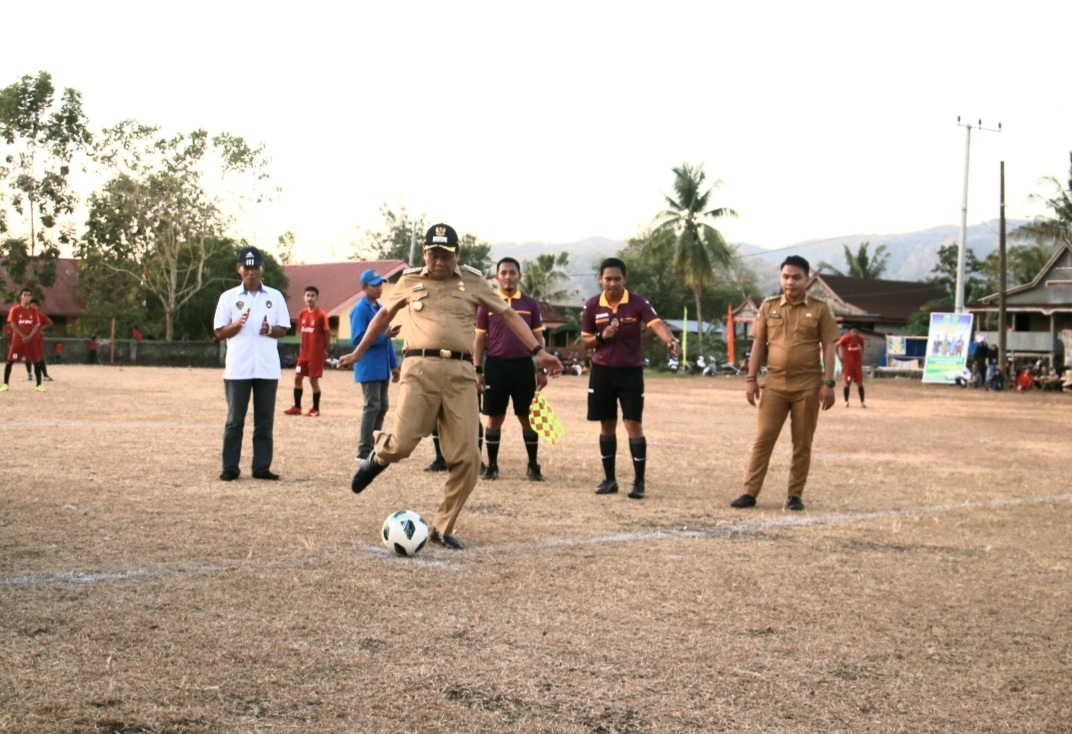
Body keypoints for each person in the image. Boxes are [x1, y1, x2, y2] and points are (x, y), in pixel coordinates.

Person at [338, 223, 562, 551]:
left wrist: (538, 351)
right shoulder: (410, 280)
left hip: (460, 374)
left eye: (445, 254)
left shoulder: (473, 281)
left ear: (457, 254)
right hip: (420, 370)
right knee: (402, 445)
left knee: (469, 458)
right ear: (426, 254)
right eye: (432, 253)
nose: (438, 260)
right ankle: (379, 456)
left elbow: (509, 316)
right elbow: (383, 316)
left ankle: (443, 527)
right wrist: (358, 352)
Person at [731, 255, 839, 512]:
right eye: (786, 277)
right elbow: (758, 344)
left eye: (796, 277)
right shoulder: (768, 307)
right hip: (775, 384)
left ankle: (794, 495)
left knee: (802, 442)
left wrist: (829, 383)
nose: (790, 282)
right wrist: (751, 379)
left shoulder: (821, 309)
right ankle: (749, 492)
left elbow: (829, 347)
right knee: (763, 439)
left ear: (807, 279)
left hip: (808, 385)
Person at [580, 257, 681, 500]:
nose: (612, 283)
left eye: (617, 279)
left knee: (633, 423)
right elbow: (585, 341)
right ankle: (609, 479)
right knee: (606, 424)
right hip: (602, 371)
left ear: (624, 279)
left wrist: (671, 340)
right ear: (600, 280)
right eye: (608, 279)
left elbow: (656, 324)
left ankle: (639, 482)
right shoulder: (592, 305)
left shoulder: (637, 302)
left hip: (630, 372)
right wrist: (602, 335)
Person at [213, 246, 291, 481]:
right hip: (238, 368)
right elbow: (219, 331)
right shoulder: (228, 297)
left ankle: (261, 467)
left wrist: (269, 330)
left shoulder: (274, 296)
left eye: (255, 267)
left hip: (266, 368)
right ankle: (230, 468)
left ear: (262, 268)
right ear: (239, 269)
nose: (251, 272)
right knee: (235, 420)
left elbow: (284, 328)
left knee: (264, 421)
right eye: (246, 267)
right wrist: (237, 325)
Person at [475, 257, 548, 481]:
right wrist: (478, 369)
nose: (508, 276)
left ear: (519, 276)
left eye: (512, 272)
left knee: (527, 417)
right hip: (496, 366)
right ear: (497, 277)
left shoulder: (530, 304)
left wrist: (541, 369)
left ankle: (533, 466)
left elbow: (538, 338)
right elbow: (479, 340)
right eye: (504, 272)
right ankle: (493, 466)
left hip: (524, 366)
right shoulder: (486, 304)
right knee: (494, 418)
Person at [349, 269, 401, 460]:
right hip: (369, 365)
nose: (380, 288)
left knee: (382, 406)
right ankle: (364, 450)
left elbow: (386, 340)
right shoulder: (360, 309)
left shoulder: (380, 309)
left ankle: (375, 445)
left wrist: (394, 365)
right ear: (364, 288)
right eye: (375, 285)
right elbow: (358, 339)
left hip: (381, 366)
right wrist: (383, 335)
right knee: (372, 405)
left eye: (380, 284)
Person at [283, 285, 332, 417]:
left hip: (315, 355)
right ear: (304, 297)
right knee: (297, 378)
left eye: (312, 296)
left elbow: (327, 334)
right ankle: (297, 407)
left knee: (313, 381)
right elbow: (303, 334)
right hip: (303, 355)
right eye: (308, 295)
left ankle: (315, 409)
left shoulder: (321, 315)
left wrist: (324, 350)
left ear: (317, 298)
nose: (310, 298)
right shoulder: (302, 314)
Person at [3, 288, 45, 393]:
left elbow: (36, 325)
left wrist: (29, 336)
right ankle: (5, 384)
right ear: (21, 297)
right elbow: (12, 324)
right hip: (17, 342)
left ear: (31, 297)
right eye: (25, 295)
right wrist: (22, 336)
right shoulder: (15, 310)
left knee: (36, 362)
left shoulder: (34, 311)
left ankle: (39, 385)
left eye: (29, 295)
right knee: (10, 362)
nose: (27, 297)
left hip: (30, 342)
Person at [24, 300, 54, 382]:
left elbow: (50, 323)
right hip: (28, 339)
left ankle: (45, 375)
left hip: (37, 340)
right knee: (28, 357)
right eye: (32, 305)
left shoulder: (40, 315)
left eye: (35, 305)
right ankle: (29, 374)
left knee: (40, 357)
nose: (34, 307)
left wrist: (42, 329)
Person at [836, 326, 865, 407]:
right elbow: (837, 345)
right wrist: (839, 356)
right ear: (850, 332)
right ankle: (846, 402)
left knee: (860, 383)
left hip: (857, 365)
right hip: (848, 365)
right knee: (847, 383)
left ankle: (862, 402)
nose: (855, 333)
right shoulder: (845, 338)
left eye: (856, 332)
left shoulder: (860, 339)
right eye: (853, 332)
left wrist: (861, 356)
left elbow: (862, 347)